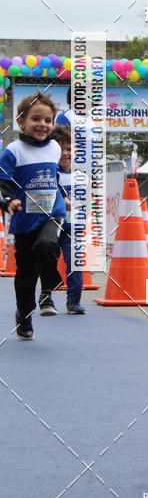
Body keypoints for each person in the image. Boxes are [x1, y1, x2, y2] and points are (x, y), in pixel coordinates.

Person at [0, 92, 66, 339]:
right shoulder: (13, 151)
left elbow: (52, 178)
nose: (42, 125)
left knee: (47, 244)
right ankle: (24, 315)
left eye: (48, 120)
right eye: (36, 119)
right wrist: (7, 200)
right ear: (21, 122)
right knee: (25, 276)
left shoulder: (55, 147)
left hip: (52, 212)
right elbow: (2, 182)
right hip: (25, 219)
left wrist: (62, 194)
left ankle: (48, 292)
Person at [51, 125, 85, 314]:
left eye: (69, 149)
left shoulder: (82, 175)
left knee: (75, 263)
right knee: (47, 261)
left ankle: (73, 301)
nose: (65, 154)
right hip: (52, 225)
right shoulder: (50, 173)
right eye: (60, 149)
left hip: (73, 226)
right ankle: (46, 295)